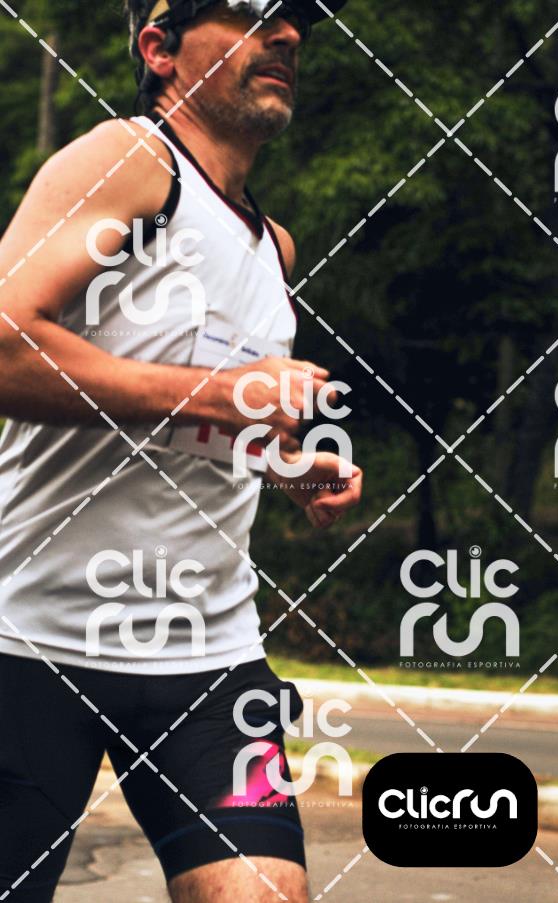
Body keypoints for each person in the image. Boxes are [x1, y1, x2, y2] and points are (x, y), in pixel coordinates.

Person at [0, 1, 362, 900]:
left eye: (294, 20)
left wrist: (287, 465)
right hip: (31, 640)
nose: (286, 35)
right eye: (249, 12)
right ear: (159, 48)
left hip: (208, 655)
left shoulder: (274, 249)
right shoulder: (129, 161)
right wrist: (221, 396)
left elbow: (208, 417)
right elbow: (5, 343)